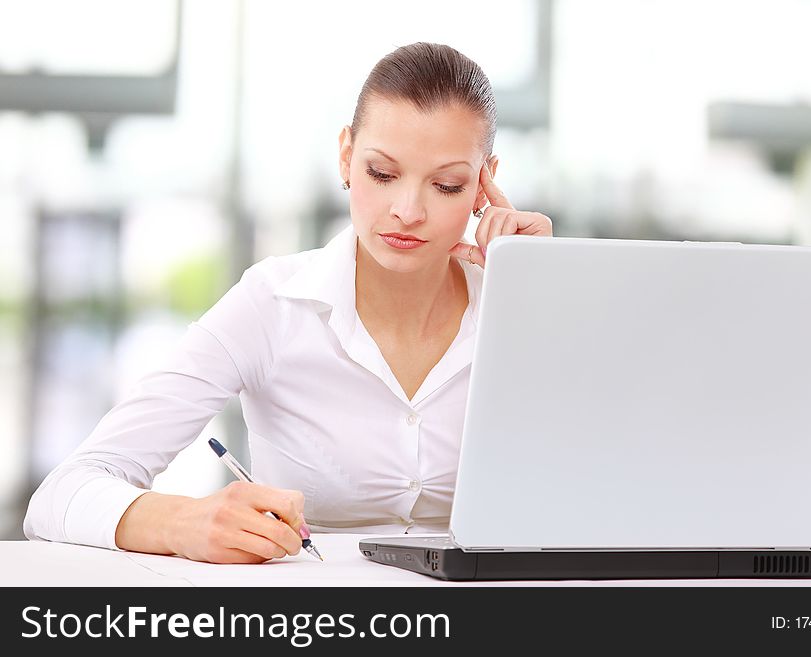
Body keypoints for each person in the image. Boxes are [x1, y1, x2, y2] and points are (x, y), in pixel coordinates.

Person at [23, 42, 553, 564]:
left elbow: (613, 481)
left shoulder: (520, 307)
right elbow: (59, 496)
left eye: (446, 184)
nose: (408, 211)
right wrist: (184, 522)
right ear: (346, 155)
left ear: (485, 182)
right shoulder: (272, 304)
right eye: (383, 174)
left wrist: (550, 300)